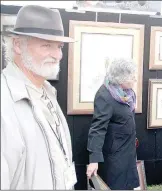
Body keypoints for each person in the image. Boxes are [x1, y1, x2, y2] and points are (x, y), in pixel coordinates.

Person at [1, 5, 76, 190]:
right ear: (18, 45)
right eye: (46, 45)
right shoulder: (5, 101)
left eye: (59, 46)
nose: (58, 55)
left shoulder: (47, 91)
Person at [86, 58, 140, 190]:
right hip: (115, 158)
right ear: (121, 79)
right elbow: (97, 129)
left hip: (127, 152)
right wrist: (94, 160)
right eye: (132, 77)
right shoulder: (105, 96)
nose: (135, 80)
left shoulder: (127, 94)